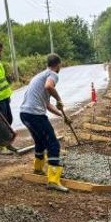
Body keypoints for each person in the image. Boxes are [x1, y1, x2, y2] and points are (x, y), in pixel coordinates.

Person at [20, 54, 70, 192]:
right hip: (35, 115)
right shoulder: (53, 74)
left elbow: (46, 104)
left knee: (40, 141)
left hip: (25, 114)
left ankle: (38, 169)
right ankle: (53, 180)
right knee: (53, 144)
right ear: (58, 64)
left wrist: (61, 114)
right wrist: (59, 99)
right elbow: (49, 86)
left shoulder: (39, 75)